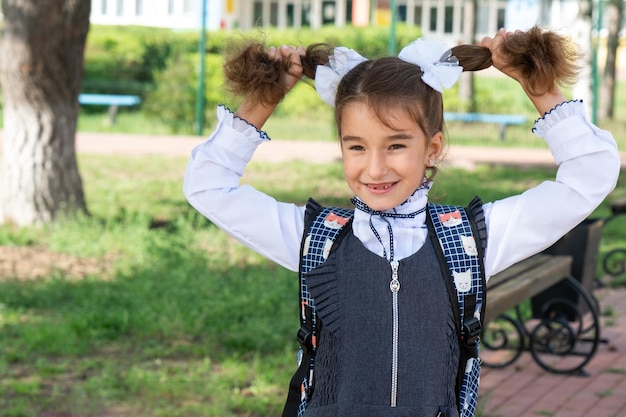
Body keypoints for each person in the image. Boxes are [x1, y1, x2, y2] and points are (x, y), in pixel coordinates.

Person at [183, 27, 620, 417]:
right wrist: (262, 101)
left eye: (395, 146)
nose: (374, 169)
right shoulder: (316, 238)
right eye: (356, 147)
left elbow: (589, 176)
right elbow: (208, 185)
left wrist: (540, 89)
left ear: (432, 148)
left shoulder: (470, 241)